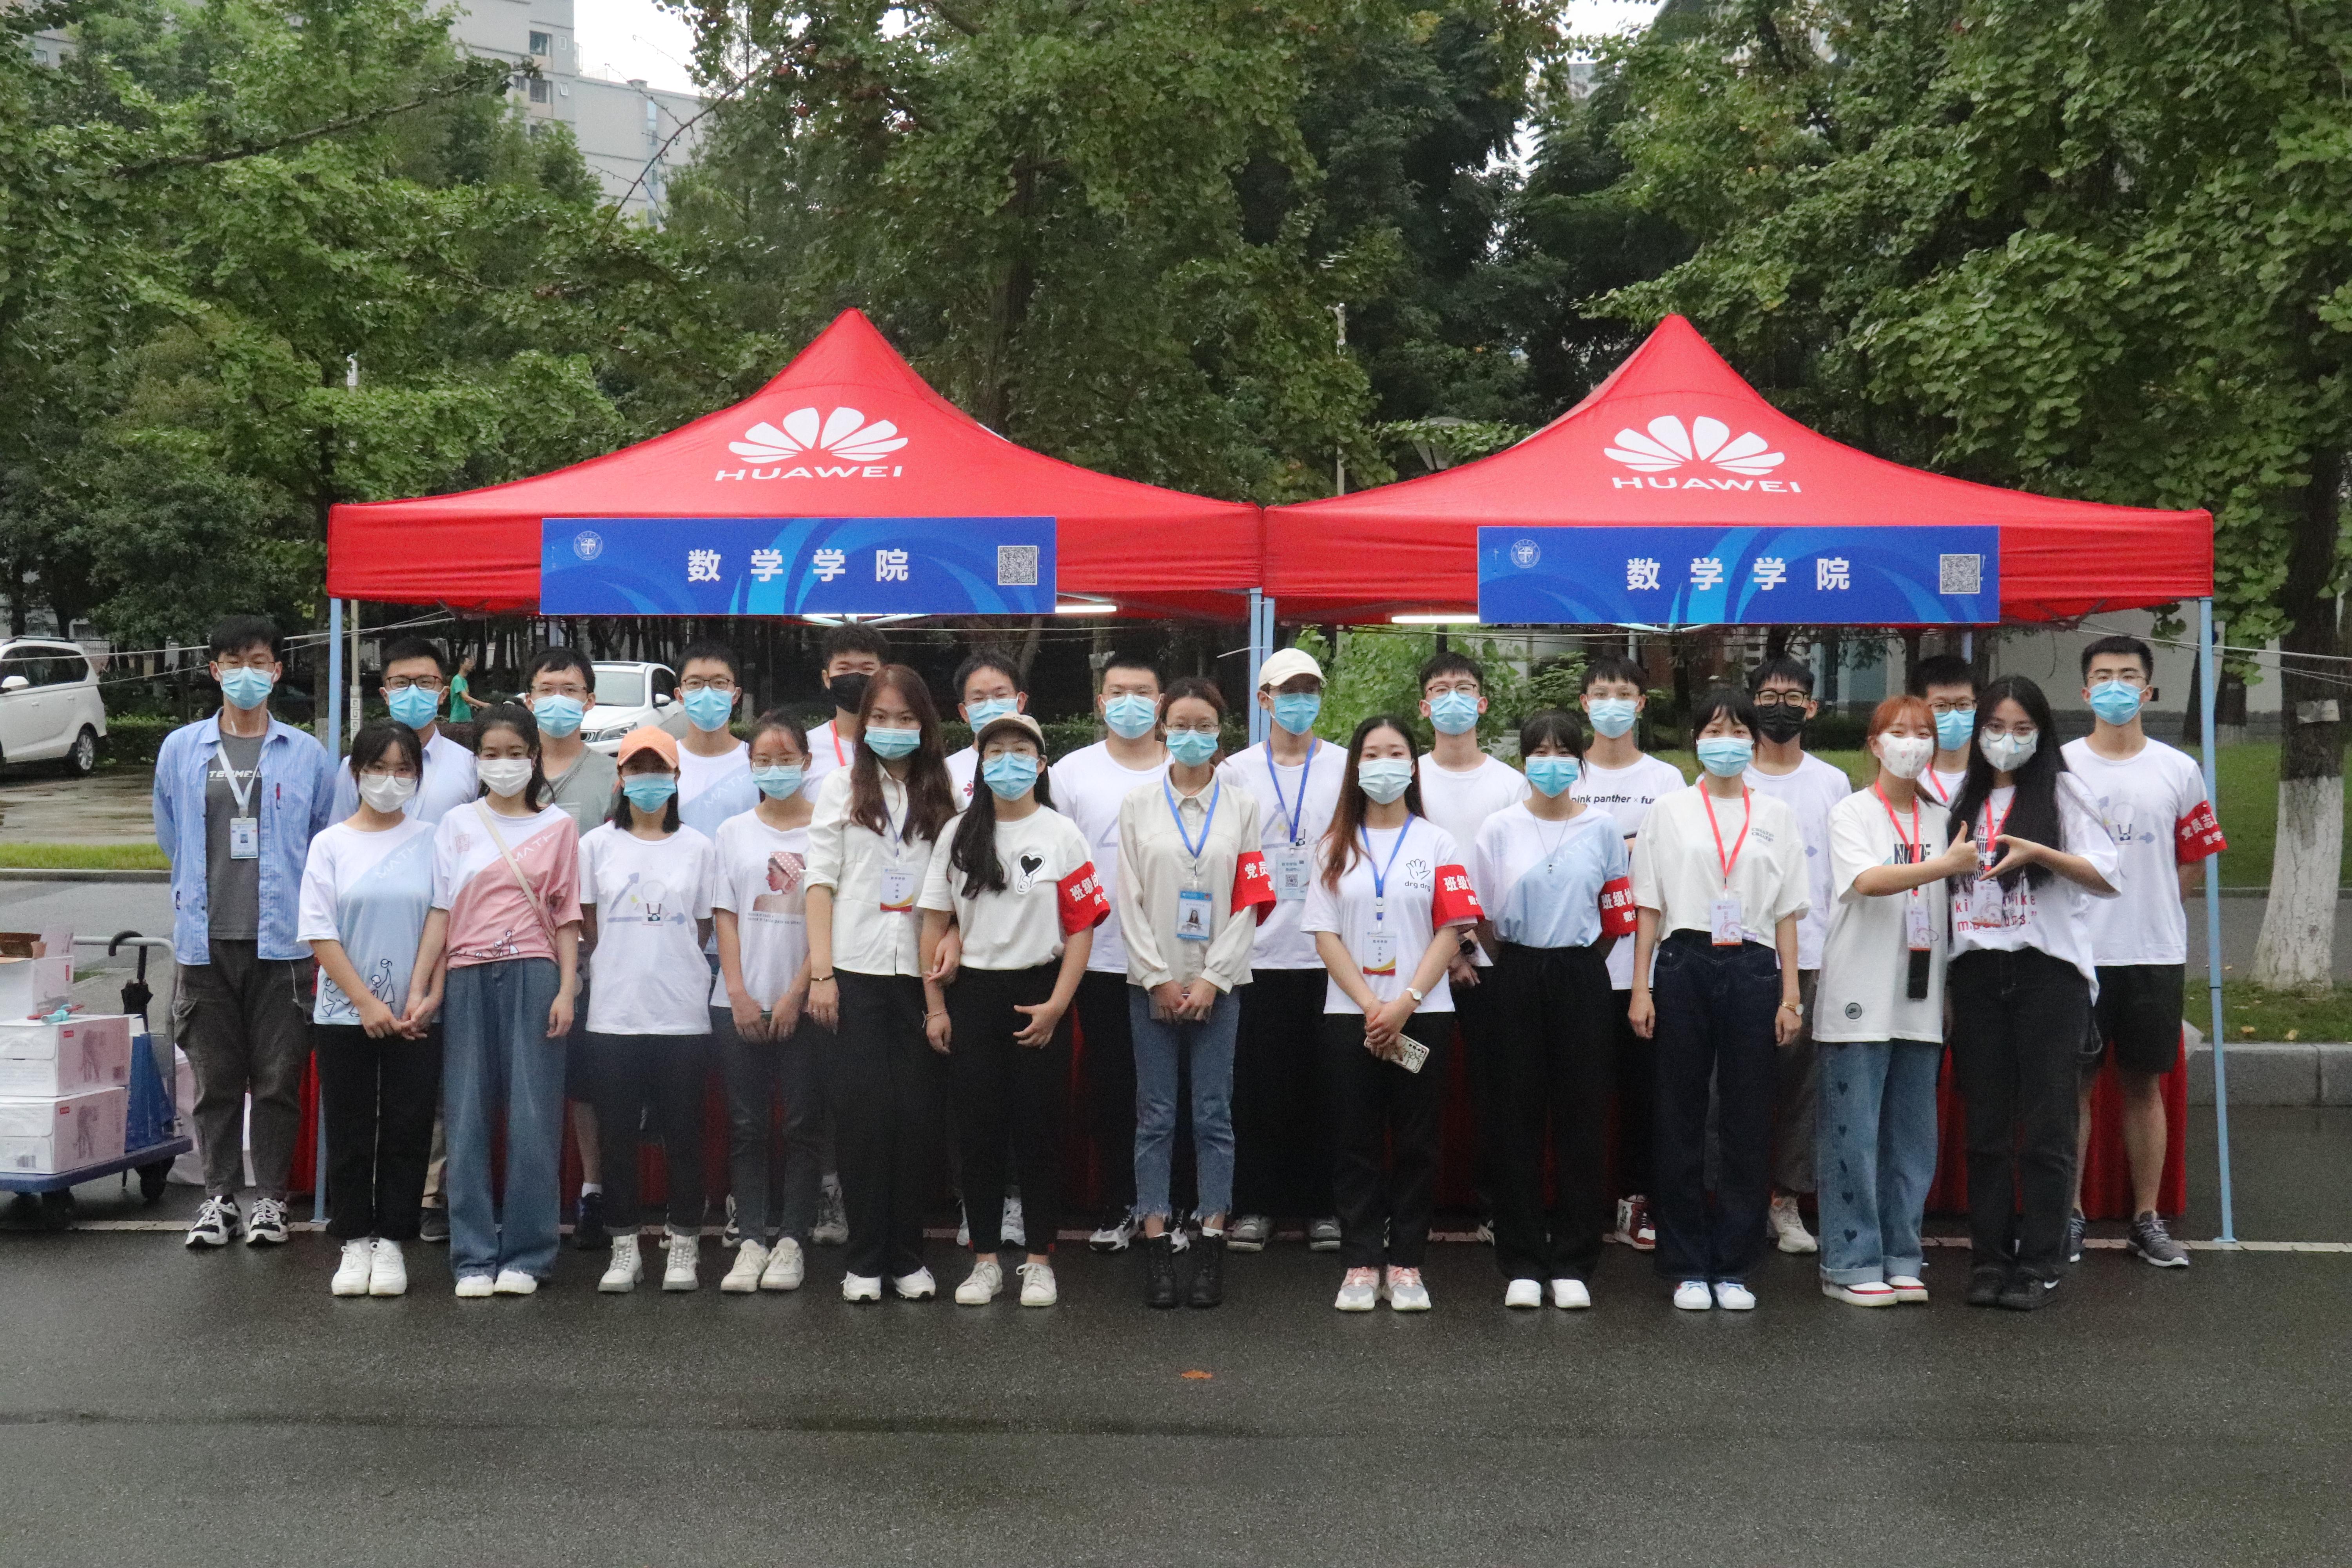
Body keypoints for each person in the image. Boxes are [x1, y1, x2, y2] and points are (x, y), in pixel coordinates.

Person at [158, 616, 338, 1249]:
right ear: (214, 671)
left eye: (258, 662)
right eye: (233, 663)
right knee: (214, 1082)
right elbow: (171, 834)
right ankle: (218, 1199)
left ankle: (272, 1200)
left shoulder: (306, 754)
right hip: (204, 942)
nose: (246, 674)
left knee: (277, 1082)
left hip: (283, 943)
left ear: (277, 671)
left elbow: (323, 839)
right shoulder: (182, 749)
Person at [1627, 688, 1809, 1312]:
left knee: (1746, 1118)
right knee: (1679, 1115)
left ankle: (1733, 1263)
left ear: (1754, 743)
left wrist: (1791, 995)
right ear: (1695, 740)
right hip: (1683, 961)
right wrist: (1642, 986)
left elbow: (1788, 913)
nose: (1725, 742)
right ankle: (1685, 1263)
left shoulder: (1777, 815)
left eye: (1737, 732)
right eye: (1713, 730)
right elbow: (1648, 906)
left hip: (1754, 965)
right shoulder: (1669, 810)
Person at [1943, 675, 2121, 1311]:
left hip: (2048, 974)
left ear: (2042, 733)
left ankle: (2041, 1262)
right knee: (1986, 1128)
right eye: (1995, 728)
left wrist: (2040, 853)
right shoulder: (1961, 796)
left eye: (2022, 729)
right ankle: (1991, 1259)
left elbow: (2106, 876)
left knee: (2047, 1126)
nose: (2007, 740)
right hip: (1976, 973)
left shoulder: (2065, 792)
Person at [920, 713, 1109, 1307]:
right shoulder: (958, 833)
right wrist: (935, 1006)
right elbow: (935, 922)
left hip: (1041, 992)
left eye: (1021, 751)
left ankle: (1039, 1261)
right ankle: (984, 1261)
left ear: (1041, 763)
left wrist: (1058, 1004)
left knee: (1039, 1133)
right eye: (995, 752)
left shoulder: (1062, 834)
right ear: (980, 764)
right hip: (974, 994)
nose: (1008, 762)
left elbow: (1082, 927)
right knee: (978, 1133)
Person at [1304, 715, 1482, 1312]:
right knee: (1354, 1141)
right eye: (1373, 754)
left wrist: (1405, 1001)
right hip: (1349, 1014)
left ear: (1412, 765)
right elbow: (1324, 934)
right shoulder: (1333, 846)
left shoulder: (1438, 843)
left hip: (1423, 1011)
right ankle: (1360, 1260)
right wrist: (1370, 1005)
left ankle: (1407, 1261)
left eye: (1396, 753)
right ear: (1357, 767)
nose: (1384, 764)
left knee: (1416, 1142)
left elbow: (1453, 928)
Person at [409, 704, 583, 1297]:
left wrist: (567, 988)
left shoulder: (559, 826)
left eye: (514, 753)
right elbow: (441, 911)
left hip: (535, 974)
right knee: (466, 1118)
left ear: (534, 757)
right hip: (467, 975)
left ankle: (529, 1256)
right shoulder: (458, 824)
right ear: (476, 760)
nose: (503, 764)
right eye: (490, 754)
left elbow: (567, 916)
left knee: (534, 1118)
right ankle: (473, 1255)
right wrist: (423, 986)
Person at [2062, 635, 2222, 1268]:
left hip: (2153, 953)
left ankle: (2147, 1219)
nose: (2116, 686)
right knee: (2073, 1087)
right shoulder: (2062, 766)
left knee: (2144, 1087)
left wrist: (2154, 908)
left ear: (2148, 690)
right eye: (2103, 675)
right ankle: (2069, 1215)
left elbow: (2193, 858)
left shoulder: (2178, 769)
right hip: (2077, 954)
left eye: (2128, 675)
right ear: (2085, 691)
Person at [1470, 710, 1637, 1309]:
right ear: (1524, 761)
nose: (1551, 762)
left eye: (1563, 752)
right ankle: (1520, 1259)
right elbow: (1482, 917)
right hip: (1515, 971)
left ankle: (1573, 1260)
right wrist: (1515, 963)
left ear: (1579, 762)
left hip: (1581, 974)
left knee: (1581, 1118)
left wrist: (1579, 963)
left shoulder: (1603, 828)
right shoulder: (1499, 828)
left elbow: (1616, 916)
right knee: (1515, 1116)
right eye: (1539, 752)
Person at [1813, 697, 1976, 1307]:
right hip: (1859, 994)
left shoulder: (1944, 819)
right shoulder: (1851, 812)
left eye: (1923, 733)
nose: (1912, 743)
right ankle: (1849, 1261)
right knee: (1853, 1136)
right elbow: (1867, 880)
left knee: (1912, 1138)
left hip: (1921, 996)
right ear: (1875, 743)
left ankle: (1901, 1254)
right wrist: (1944, 865)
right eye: (1899, 732)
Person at [1116, 679, 1274, 1307]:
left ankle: (1211, 1240)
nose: (1191, 735)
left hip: (1221, 985)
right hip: (1150, 987)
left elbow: (1251, 897)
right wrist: (1156, 976)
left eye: (1204, 725)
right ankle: (1156, 1242)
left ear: (1219, 732)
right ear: (1163, 729)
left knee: (1213, 1115)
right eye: (1180, 724)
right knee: (1155, 1116)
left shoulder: (1243, 806)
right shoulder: (1136, 805)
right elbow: (1127, 897)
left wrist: (1213, 976)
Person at [804, 665, 957, 1301]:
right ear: (864, 723)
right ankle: (865, 1259)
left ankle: (907, 1255)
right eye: (881, 718)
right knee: (864, 1118)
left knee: (915, 1117)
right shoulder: (840, 787)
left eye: (906, 718)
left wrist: (953, 940)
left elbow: (960, 883)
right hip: (855, 971)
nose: (893, 729)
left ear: (925, 724)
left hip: (923, 979)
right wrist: (821, 973)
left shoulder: (944, 792)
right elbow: (820, 883)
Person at [303, 722, 442, 1298]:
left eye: (403, 769)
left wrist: (425, 994)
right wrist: (363, 1002)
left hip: (415, 1013)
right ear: (357, 773)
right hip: (344, 1013)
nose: (390, 780)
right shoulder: (331, 844)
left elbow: (443, 916)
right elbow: (319, 930)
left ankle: (393, 1242)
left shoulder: (434, 839)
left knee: (409, 1126)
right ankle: (355, 1240)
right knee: (351, 1127)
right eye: (378, 768)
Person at [578, 728, 719, 1294]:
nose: (648, 780)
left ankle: (683, 1243)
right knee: (617, 1137)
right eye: (636, 769)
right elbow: (589, 924)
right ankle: (624, 1247)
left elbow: (703, 926)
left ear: (677, 778)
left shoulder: (699, 848)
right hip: (614, 1012)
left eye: (659, 769)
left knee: (684, 1135)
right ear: (621, 778)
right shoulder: (596, 846)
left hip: (682, 1013)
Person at [1221, 647, 1345, 1253]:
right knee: (1258, 1088)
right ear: (1264, 699)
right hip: (1259, 953)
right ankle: (1256, 1206)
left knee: (1328, 1087)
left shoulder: (1347, 766)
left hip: (1331, 953)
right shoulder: (1235, 772)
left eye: (1310, 690)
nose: (1300, 702)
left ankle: (1324, 1207)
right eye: (1288, 691)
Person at [1052, 650, 1171, 1251]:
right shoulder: (1073, 774)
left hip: (1174, 961)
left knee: (1170, 1093)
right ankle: (1120, 1204)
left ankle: (1170, 1206)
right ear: (1101, 703)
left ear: (1161, 702)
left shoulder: (1189, 769)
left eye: (1142, 692)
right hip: (1099, 957)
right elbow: (1057, 864)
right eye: (1118, 692)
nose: (1130, 703)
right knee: (1113, 1085)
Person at [1410, 650, 1529, 1245]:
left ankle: (1494, 1207)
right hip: (1417, 961)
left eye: (1464, 688)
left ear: (1482, 703)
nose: (1452, 698)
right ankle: (1410, 1210)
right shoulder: (1406, 776)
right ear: (1424, 706)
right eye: (1440, 689)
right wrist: (1447, 949)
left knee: (1496, 1089)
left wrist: (1470, 946)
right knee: (1412, 1085)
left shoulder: (1511, 784)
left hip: (1491, 959)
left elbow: (1513, 874)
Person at [1570, 653, 1686, 1253]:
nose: (1611, 704)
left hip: (1647, 967)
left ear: (1641, 705)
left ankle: (1636, 1200)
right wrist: (1628, 846)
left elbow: (1673, 862)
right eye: (1601, 694)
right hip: (1578, 964)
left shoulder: (1666, 781)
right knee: (1581, 1096)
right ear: (1584, 704)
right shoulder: (1564, 772)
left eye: (1623, 694)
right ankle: (1579, 1207)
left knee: (1646, 1097)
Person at [712, 711, 825, 1294]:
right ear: (750, 764)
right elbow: (725, 916)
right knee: (747, 1126)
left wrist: (796, 992)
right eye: (764, 760)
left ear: (807, 762)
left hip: (804, 1003)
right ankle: (752, 1239)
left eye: (786, 759)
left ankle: (792, 1242)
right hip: (738, 1002)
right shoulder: (733, 832)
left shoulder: (828, 831)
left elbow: (830, 921)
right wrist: (737, 992)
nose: (775, 769)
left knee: (804, 1125)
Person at [1744, 655, 1852, 1257]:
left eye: (1792, 696)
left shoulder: (1832, 782)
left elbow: (1841, 873)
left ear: (1811, 707)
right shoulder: (1730, 775)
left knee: (1803, 1089)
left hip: (1812, 955)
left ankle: (1784, 1200)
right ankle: (1735, 1200)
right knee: (1735, 1086)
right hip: (1741, 954)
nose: (1779, 707)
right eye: (1767, 696)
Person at [521, 644, 620, 1249]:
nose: (558, 700)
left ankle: (593, 1191)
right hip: (517, 951)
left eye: (571, 690)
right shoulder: (507, 767)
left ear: (590, 701)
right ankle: (529, 1197)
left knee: (588, 1082)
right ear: (528, 698)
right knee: (528, 1080)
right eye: (546, 689)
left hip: (590, 955)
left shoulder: (612, 776)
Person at [330, 636, 479, 823]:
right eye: (401, 683)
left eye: (426, 682)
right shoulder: (357, 765)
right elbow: (341, 832)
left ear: (443, 695)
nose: (413, 692)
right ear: (386, 695)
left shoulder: (468, 765)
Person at [671, 640, 759, 838]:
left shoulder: (757, 762)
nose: (707, 692)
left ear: (736, 695)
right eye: (695, 683)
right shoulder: (665, 763)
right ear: (680, 695)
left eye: (719, 683)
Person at [802, 624, 889, 804]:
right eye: (844, 669)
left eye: (867, 669)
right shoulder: (805, 748)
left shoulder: (898, 745)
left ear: (883, 676)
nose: (855, 677)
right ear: (827, 679)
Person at [943, 649, 1031, 802]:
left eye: (1001, 695)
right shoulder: (945, 774)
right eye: (978, 699)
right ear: (964, 712)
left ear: (1020, 701)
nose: (990, 705)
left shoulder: (1038, 769)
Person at [1908, 652, 1978, 808]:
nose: (1954, 715)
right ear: (1919, 708)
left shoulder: (1991, 776)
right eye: (1941, 706)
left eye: (1963, 704)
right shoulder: (1907, 776)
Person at [448, 653, 476, 725]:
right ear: (462, 665)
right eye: (469, 663)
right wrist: (483, 704)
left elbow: (464, 700)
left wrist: (472, 705)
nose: (472, 665)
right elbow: (466, 698)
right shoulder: (457, 680)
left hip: (466, 720)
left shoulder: (464, 680)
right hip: (458, 721)